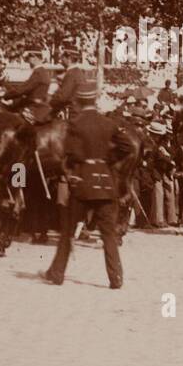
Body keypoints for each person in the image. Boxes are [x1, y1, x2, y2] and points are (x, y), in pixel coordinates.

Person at [45, 81, 134, 288]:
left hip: (82, 183)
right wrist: (108, 160)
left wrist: (76, 164)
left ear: (78, 101)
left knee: (67, 231)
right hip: (105, 183)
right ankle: (116, 278)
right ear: (95, 99)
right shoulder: (108, 122)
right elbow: (127, 145)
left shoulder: (75, 124)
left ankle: (57, 273)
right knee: (108, 234)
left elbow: (71, 153)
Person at [0, 51, 54, 122]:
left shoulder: (38, 72)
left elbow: (23, 89)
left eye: (29, 58)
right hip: (38, 105)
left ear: (34, 58)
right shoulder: (44, 72)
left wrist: (5, 95)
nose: (28, 62)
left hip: (32, 106)